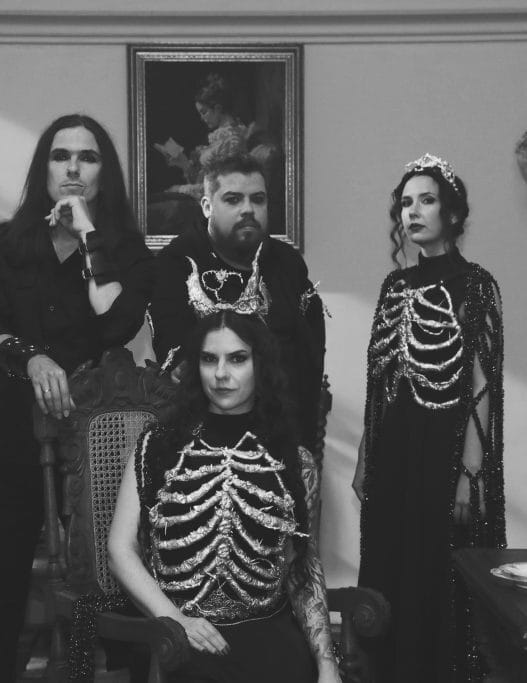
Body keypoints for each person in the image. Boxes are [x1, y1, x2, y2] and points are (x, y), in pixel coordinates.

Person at [108, 310, 341, 683]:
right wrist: (175, 619)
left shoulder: (296, 461)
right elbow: (120, 549)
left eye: (237, 358)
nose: (220, 373)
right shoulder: (156, 446)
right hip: (180, 634)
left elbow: (303, 567)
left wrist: (327, 663)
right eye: (208, 359)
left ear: (260, 365)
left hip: (270, 636)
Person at [0, 113, 153, 681]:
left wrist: (89, 233)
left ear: (104, 174)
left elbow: (115, 322)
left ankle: (94, 667)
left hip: (94, 436)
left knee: (101, 561)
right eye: (60, 155)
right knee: (6, 554)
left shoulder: (128, 252)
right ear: (43, 168)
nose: (72, 168)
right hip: (12, 421)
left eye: (87, 157)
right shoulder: (7, 243)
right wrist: (31, 357)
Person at [352, 153, 506, 682]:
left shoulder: (476, 284)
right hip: (394, 448)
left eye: (426, 200)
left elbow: (483, 384)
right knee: (390, 564)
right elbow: (379, 384)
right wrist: (365, 458)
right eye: (405, 203)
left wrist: (470, 472)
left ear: (452, 213)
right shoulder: (393, 287)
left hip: (445, 450)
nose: (413, 211)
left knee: (435, 568)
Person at [149, 153, 325, 452]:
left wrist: (301, 445)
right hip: (203, 438)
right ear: (207, 206)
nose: (248, 209)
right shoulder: (177, 261)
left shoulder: (287, 263)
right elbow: (178, 359)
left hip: (282, 432)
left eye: (258, 199)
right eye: (233, 199)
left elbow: (308, 358)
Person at [149, 73, 281, 235]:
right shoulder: (221, 137)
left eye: (204, 112)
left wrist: (182, 189)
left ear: (218, 109)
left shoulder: (232, 140)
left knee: (156, 208)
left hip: (211, 205)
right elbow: (205, 177)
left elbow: (221, 188)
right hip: (201, 197)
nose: (202, 118)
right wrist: (182, 163)